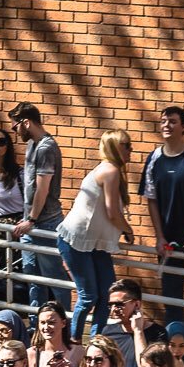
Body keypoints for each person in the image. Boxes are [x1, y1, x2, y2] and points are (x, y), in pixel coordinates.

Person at [58, 129, 135, 342]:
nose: (131, 150)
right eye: (127, 145)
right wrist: (128, 230)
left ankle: (97, 341)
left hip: (94, 243)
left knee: (107, 295)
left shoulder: (111, 170)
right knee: (89, 295)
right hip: (76, 241)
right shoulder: (110, 171)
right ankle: (74, 341)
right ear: (115, 147)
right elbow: (112, 212)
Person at [140, 106, 184, 322]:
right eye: (163, 121)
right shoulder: (154, 158)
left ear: (183, 127)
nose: (166, 125)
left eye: (172, 121)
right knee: (172, 301)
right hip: (168, 244)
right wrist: (159, 237)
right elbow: (151, 200)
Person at [8, 102, 66, 310]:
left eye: (15, 127)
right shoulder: (32, 145)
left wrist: (31, 220)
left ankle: (65, 326)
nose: (14, 132)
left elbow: (43, 188)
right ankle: (36, 325)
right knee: (33, 278)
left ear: (26, 122)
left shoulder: (46, 148)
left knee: (55, 278)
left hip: (45, 222)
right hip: (30, 223)